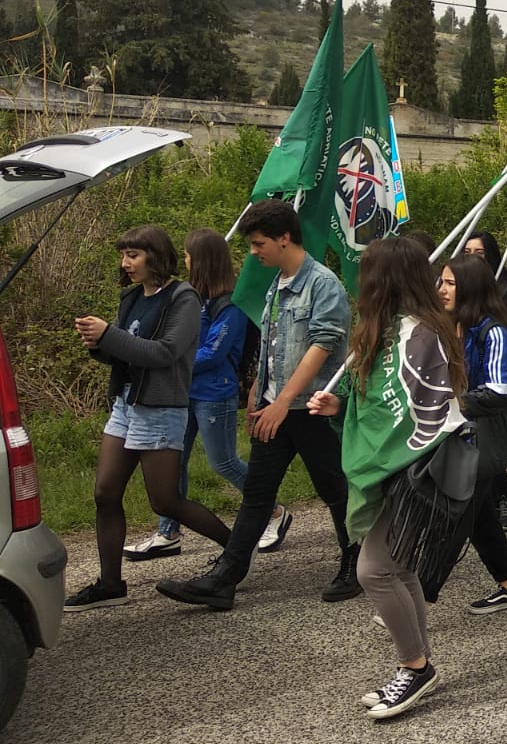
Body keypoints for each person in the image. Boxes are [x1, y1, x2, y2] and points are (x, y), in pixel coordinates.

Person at [156, 199, 355, 611]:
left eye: (259, 243)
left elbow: (322, 345)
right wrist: (257, 392)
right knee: (258, 494)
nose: (253, 252)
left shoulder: (323, 284)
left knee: (335, 488)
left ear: (285, 239)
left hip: (311, 409)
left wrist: (283, 401)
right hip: (275, 406)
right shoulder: (276, 284)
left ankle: (356, 563)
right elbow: (272, 345)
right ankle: (225, 579)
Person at [308, 237, 468, 719]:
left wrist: (369, 437)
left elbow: (422, 414)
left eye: (367, 273)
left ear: (384, 280)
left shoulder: (419, 335)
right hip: (398, 466)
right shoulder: (388, 330)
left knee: (373, 571)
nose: (360, 283)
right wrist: (341, 409)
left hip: (415, 470)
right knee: (399, 570)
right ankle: (420, 664)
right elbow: (377, 405)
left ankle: (414, 667)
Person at [65, 226, 232, 610]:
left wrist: (109, 335)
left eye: (134, 255)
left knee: (165, 502)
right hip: (126, 404)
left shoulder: (182, 298)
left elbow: (164, 353)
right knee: (105, 493)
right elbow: (126, 353)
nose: (126, 263)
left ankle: (236, 553)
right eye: (123, 254)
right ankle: (110, 586)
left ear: (155, 256)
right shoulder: (131, 297)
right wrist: (98, 345)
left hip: (160, 408)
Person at [126, 228, 250, 561]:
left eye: (187, 254)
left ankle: (271, 510)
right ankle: (168, 532)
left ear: (201, 260)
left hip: (214, 393)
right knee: (173, 463)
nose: (184, 259)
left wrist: (171, 360)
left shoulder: (230, 305)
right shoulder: (191, 299)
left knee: (222, 461)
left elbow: (214, 352)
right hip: (184, 393)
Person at [439, 253, 507, 612]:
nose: (441, 289)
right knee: (478, 519)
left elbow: (503, 390)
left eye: (449, 283)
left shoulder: (494, 333)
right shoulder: (450, 327)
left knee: (453, 521)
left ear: (470, 288)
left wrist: (453, 404)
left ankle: (419, 599)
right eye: (441, 281)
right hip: (459, 436)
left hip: (483, 440)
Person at [461, 229, 507, 531]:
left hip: (495, 382)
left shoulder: (506, 293)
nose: (472, 258)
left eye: (478, 253)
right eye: (467, 252)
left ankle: (505, 498)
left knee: (487, 447)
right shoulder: (462, 293)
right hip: (467, 379)